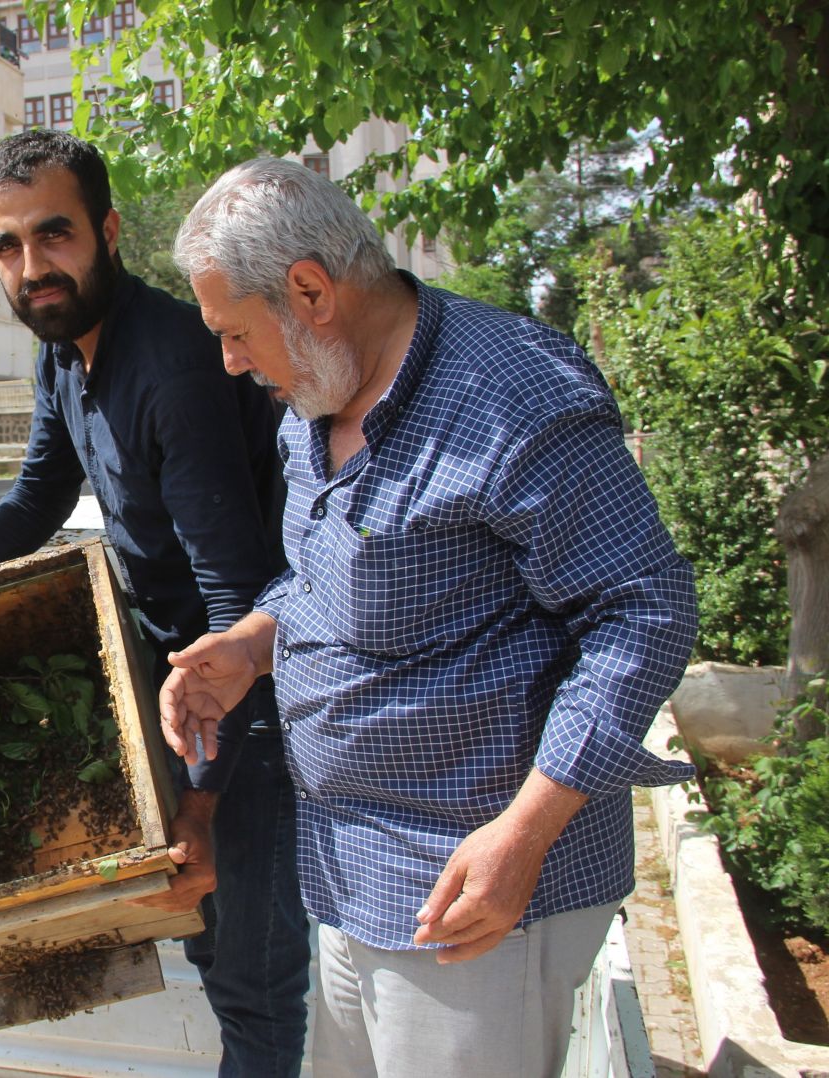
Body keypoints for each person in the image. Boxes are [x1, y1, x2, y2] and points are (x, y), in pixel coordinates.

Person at [158, 156, 699, 1078]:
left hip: (475, 898)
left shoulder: (517, 397)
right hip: (345, 873)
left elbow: (642, 610)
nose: (230, 361)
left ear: (310, 292)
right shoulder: (314, 396)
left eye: (234, 332)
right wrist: (252, 644)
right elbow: (325, 577)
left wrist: (525, 832)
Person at [0, 130, 311, 1076]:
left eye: (54, 236)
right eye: (8, 247)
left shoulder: (175, 367)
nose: (32, 267)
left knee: (254, 988)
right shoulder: (64, 354)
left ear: (105, 229)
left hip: (249, 710)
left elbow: (235, 595)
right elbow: (37, 494)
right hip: (177, 694)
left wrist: (207, 806)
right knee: (214, 948)